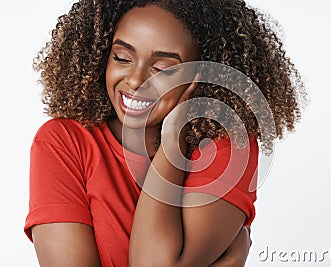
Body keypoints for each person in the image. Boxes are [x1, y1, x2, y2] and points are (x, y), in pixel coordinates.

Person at [24, 0, 306, 266]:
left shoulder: (226, 145)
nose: (135, 80)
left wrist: (173, 138)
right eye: (122, 57)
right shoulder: (63, 143)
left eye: (162, 69)